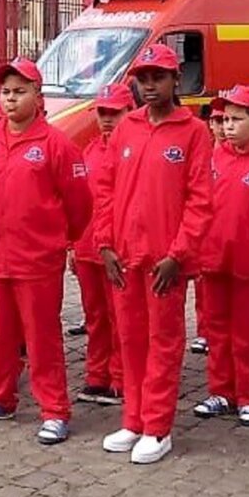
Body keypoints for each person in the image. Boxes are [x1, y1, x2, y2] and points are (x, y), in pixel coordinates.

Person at [0, 57, 92, 446]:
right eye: (5, 93)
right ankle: (0, 397)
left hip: (37, 260)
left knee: (42, 337)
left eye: (20, 92)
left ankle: (54, 409)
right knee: (1, 334)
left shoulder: (57, 145)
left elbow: (80, 205)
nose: (11, 99)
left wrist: (56, 239)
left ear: (38, 95)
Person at [96, 43, 212, 464]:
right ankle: (133, 419)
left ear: (174, 79)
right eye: (142, 78)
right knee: (130, 340)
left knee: (163, 343)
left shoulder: (194, 132)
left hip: (165, 262)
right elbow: (105, 189)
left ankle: (158, 427)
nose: (148, 85)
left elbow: (201, 201)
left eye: (157, 77)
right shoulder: (127, 128)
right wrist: (105, 243)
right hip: (126, 258)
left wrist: (178, 255)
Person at [194, 85, 249, 427]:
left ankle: (248, 396)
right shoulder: (213, 159)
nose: (228, 126)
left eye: (236, 119)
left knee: (246, 334)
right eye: (224, 119)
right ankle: (221, 392)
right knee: (216, 331)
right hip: (214, 263)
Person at [72, 83, 134, 406]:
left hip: (117, 249)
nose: (107, 119)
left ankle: (121, 377)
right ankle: (97, 375)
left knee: (119, 316)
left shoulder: (132, 150)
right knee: (94, 316)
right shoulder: (90, 150)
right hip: (87, 248)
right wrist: (73, 245)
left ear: (129, 112)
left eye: (115, 113)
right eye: (103, 113)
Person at [190, 98, 227, 356]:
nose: (222, 127)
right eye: (216, 120)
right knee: (204, 289)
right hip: (204, 235)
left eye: (227, 120)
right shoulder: (205, 153)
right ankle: (205, 331)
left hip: (229, 236)